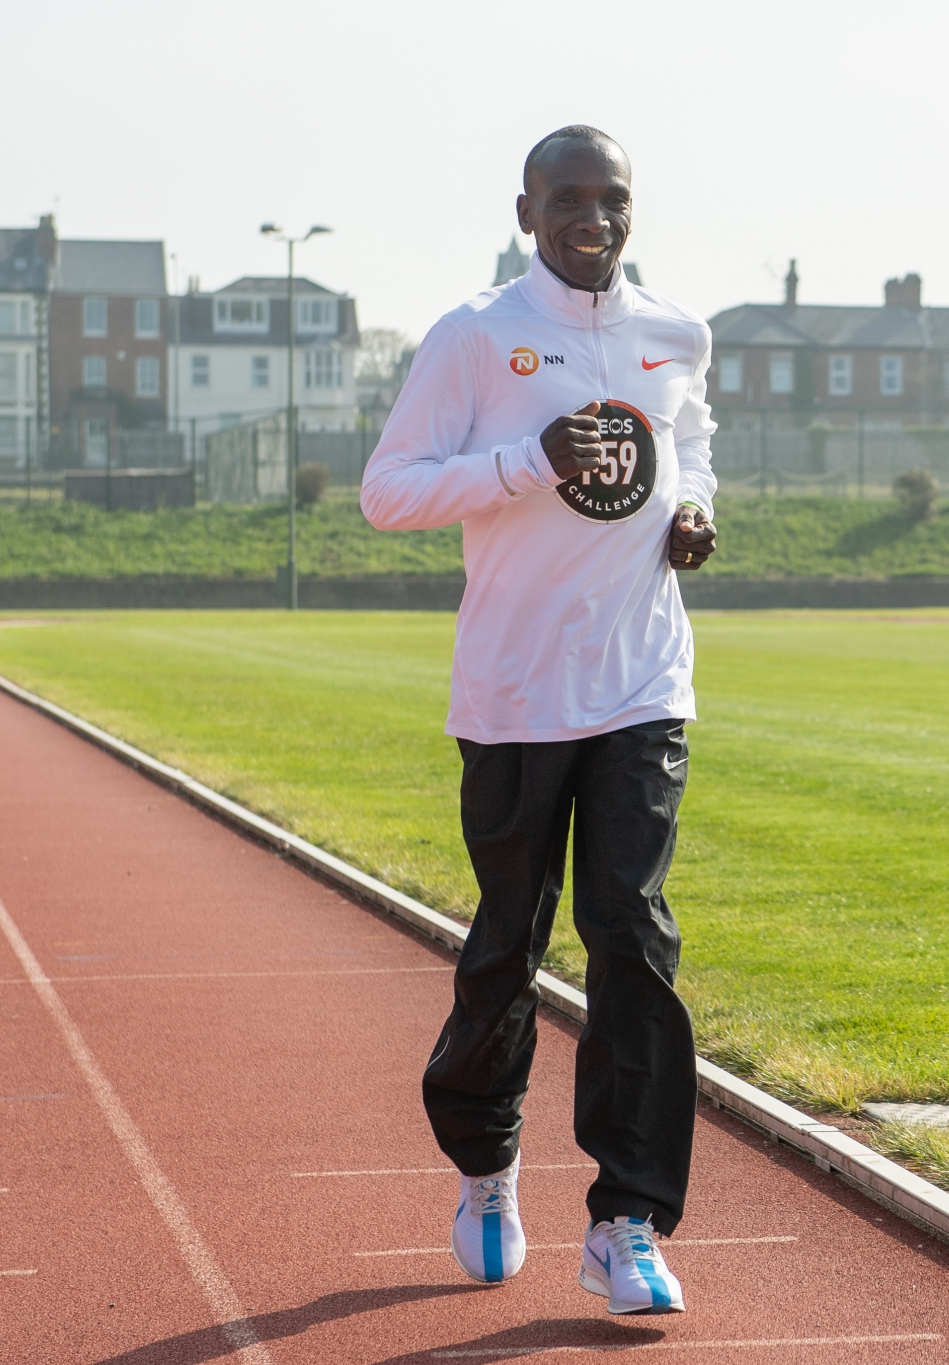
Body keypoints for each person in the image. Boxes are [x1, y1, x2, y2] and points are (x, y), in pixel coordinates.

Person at [359, 125, 717, 1315]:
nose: (594, 220)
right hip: (514, 694)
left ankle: (624, 1219)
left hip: (640, 684)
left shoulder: (674, 332)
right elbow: (388, 493)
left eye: (612, 200)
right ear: (528, 212)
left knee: (632, 935)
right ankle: (485, 1163)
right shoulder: (475, 338)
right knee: (509, 940)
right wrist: (525, 461)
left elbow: (692, 444)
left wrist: (695, 510)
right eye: (570, 200)